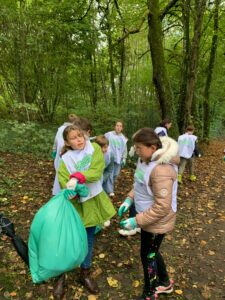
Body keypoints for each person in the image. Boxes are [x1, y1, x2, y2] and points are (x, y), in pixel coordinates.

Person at [56, 125, 116, 298]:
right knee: (69, 239)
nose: (79, 139)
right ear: (67, 142)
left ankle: (85, 273)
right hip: (74, 204)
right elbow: (62, 180)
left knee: (88, 238)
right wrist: (71, 191)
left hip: (91, 200)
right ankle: (61, 275)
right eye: (74, 138)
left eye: (80, 135)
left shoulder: (94, 148)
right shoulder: (65, 159)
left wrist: (78, 177)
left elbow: (96, 171)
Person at [118, 128, 179, 300]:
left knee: (148, 254)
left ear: (152, 148)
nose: (136, 151)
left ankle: (150, 292)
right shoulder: (144, 160)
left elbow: (162, 207)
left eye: (139, 147)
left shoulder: (161, 170)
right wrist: (128, 200)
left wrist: (135, 221)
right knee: (151, 251)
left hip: (157, 221)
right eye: (135, 147)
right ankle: (165, 282)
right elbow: (139, 185)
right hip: (148, 218)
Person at [52, 113, 78, 195]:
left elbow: (55, 141)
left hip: (60, 153)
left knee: (59, 173)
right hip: (66, 152)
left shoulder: (60, 129)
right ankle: (64, 192)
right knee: (66, 174)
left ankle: (58, 191)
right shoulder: (72, 130)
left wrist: (54, 150)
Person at [104, 120, 128, 197]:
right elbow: (103, 141)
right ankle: (110, 190)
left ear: (122, 128)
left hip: (118, 158)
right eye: (117, 125)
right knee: (110, 174)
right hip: (110, 157)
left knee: (115, 174)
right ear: (115, 126)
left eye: (120, 126)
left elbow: (125, 148)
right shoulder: (109, 134)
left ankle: (106, 187)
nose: (118, 127)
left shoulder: (123, 138)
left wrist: (124, 157)